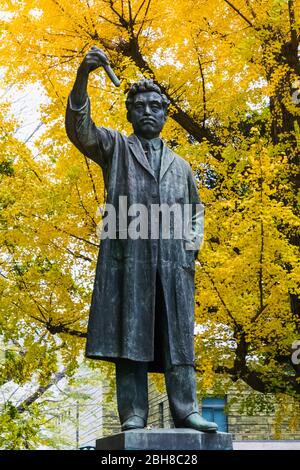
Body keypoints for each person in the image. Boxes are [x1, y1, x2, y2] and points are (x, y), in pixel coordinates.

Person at [65, 46, 218, 433]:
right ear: (130, 113)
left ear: (166, 115)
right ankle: (133, 414)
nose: (148, 111)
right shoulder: (116, 148)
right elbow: (79, 130)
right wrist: (83, 76)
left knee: (179, 342)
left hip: (173, 267)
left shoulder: (181, 166)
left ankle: (186, 410)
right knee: (129, 338)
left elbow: (195, 213)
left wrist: (189, 251)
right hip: (129, 261)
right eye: (140, 106)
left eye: (155, 106)